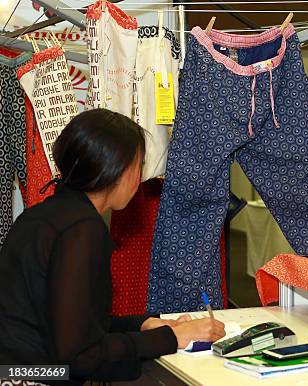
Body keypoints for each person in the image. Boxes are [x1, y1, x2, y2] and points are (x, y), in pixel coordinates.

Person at [0, 109, 226, 384]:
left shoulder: (46, 215)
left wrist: (144, 324)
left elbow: (75, 323)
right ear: (119, 169)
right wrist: (173, 337)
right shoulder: (81, 229)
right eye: (139, 165)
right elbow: (81, 356)